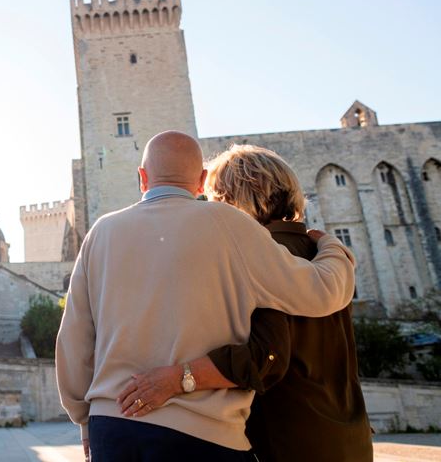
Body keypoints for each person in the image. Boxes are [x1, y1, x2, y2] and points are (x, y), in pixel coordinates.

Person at [56, 131, 356, 462]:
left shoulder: (100, 232)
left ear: (142, 178)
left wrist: (84, 419)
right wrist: (332, 246)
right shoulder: (229, 224)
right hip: (202, 433)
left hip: (112, 427)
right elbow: (323, 291)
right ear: (201, 181)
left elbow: (74, 339)